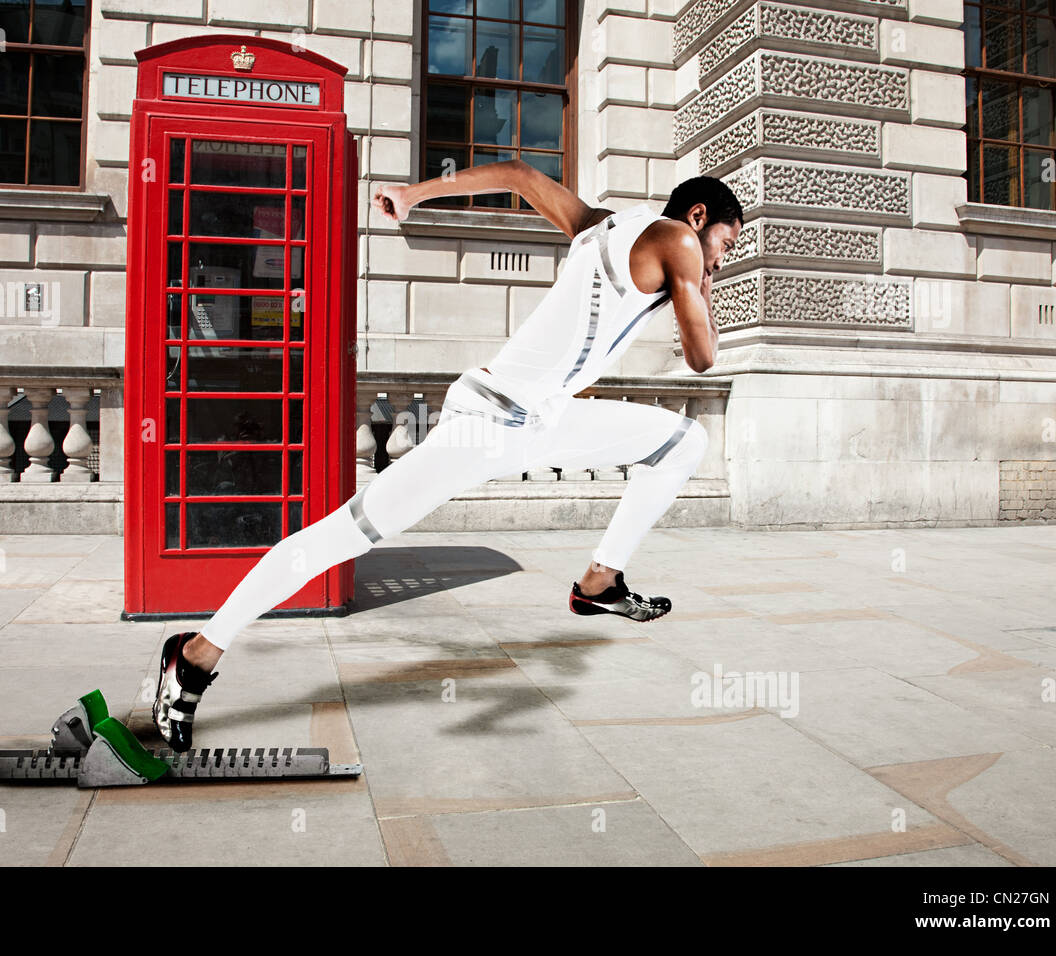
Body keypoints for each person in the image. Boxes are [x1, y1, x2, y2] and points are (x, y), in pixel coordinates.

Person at [152, 160, 744, 751]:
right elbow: (702, 356)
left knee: (681, 440)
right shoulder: (680, 240)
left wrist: (414, 193)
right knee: (346, 535)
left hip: (544, 418)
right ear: (698, 218)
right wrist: (703, 278)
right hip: (485, 424)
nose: (721, 257)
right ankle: (194, 657)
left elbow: (519, 176)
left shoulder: (605, 226)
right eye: (726, 241)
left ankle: (599, 581)